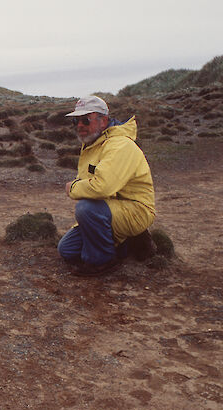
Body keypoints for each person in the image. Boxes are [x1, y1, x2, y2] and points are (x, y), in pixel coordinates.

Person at [57, 95, 156, 276]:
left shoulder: (119, 145)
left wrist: (72, 188)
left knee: (86, 209)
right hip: (110, 209)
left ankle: (102, 262)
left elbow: (102, 187)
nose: (80, 126)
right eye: (76, 121)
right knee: (67, 250)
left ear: (103, 121)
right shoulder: (94, 145)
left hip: (136, 210)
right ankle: (128, 244)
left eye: (85, 120)